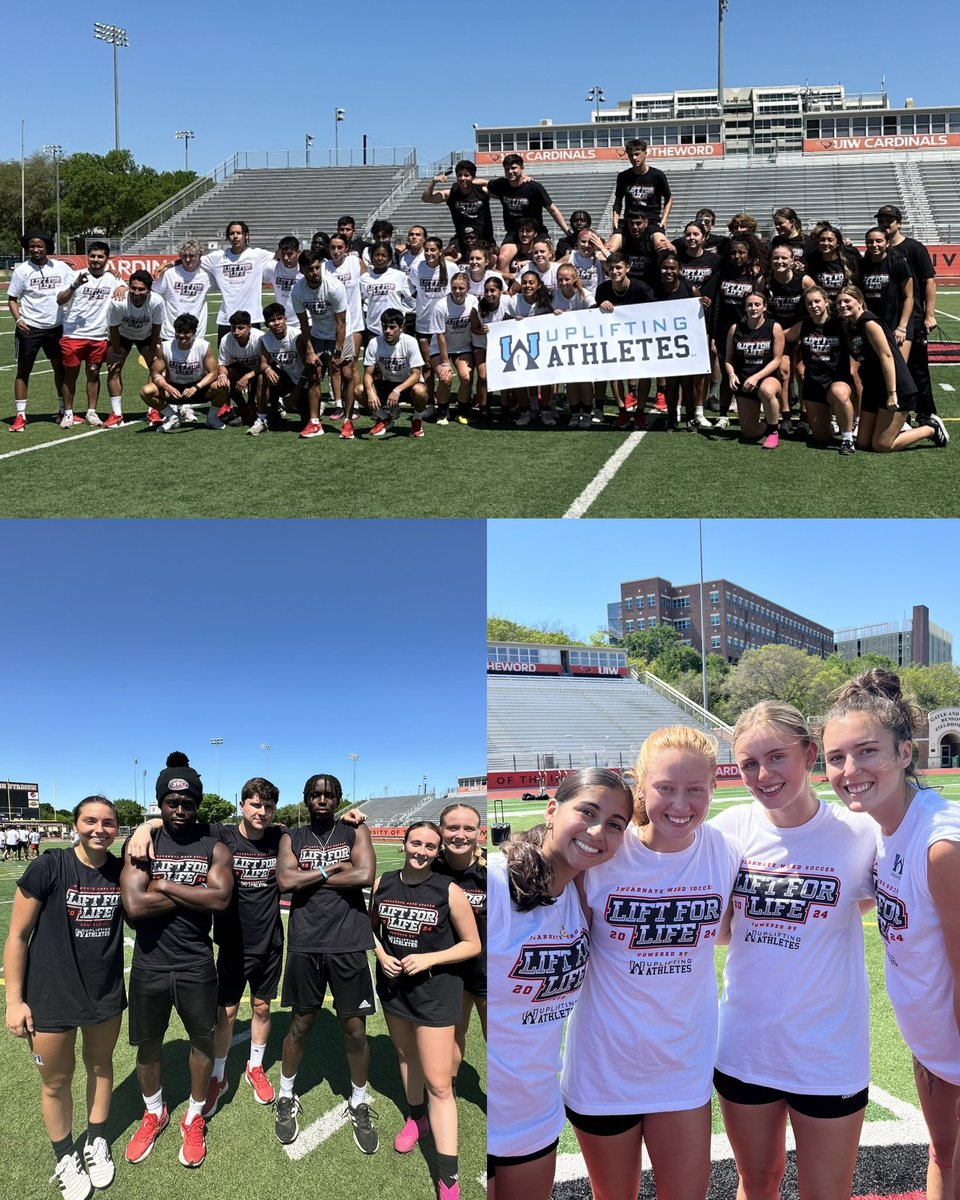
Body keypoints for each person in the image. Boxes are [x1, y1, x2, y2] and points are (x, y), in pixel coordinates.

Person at [560, 728, 739, 1200]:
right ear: (640, 785)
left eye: (695, 789)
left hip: (682, 1068)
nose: (681, 803)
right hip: (603, 1066)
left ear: (713, 786)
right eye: (665, 788)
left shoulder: (725, 851)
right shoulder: (601, 856)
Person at [712, 702, 877, 1200]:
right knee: (757, 1182)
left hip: (829, 1051)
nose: (763, 775)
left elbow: (872, 901)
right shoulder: (729, 830)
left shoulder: (860, 833)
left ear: (809, 755)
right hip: (745, 1046)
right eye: (748, 764)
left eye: (777, 757)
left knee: (826, 1192)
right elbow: (718, 928)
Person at [822, 669, 960, 1200]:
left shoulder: (940, 845)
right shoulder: (880, 832)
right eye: (837, 758)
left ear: (905, 753)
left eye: (866, 752)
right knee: (942, 1156)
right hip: (932, 1046)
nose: (850, 770)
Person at [487, 769, 633, 1200]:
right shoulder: (495, 883)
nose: (596, 831)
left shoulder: (579, 896)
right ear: (552, 810)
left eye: (614, 824)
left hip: (535, 1114)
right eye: (586, 812)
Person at [125, 777, 285, 1116]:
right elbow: (176, 814)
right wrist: (145, 826)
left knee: (262, 1008)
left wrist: (352, 819)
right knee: (225, 1013)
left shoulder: (278, 836)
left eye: (268, 806)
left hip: (269, 940)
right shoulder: (221, 834)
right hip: (231, 941)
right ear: (242, 804)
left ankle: (255, 1067)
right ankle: (218, 1075)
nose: (262, 812)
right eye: (255, 804)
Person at [4, 796, 125, 1200]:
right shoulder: (50, 865)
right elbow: (17, 937)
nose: (99, 829)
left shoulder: (121, 871)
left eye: (108, 823)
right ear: (75, 824)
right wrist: (15, 1001)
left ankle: (96, 1141)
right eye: (90, 821)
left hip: (103, 993)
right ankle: (64, 1156)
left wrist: (149, 825)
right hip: (50, 996)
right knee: (55, 1082)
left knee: (100, 1066)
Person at [120, 753, 234, 1169]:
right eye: (171, 803)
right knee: (148, 1045)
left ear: (198, 804)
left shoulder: (213, 844)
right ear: (160, 803)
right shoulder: (143, 842)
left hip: (196, 963)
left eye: (187, 803)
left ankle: (193, 1116)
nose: (180, 810)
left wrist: (163, 883)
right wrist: (191, 888)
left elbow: (220, 899)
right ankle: (154, 1113)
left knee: (201, 1042)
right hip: (150, 963)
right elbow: (133, 906)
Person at [370, 822, 480, 1200]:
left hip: (436, 993)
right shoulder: (383, 882)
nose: (421, 850)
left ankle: (448, 1175)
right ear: (403, 843)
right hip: (394, 987)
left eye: (430, 847)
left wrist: (430, 958)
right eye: (416, 843)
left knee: (439, 1082)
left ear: (438, 853)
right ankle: (416, 1118)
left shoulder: (448, 890)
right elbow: (371, 929)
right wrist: (382, 954)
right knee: (404, 1055)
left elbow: (471, 944)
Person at [274, 773, 379, 1154]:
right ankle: (286, 1095)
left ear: (337, 799)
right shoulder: (293, 837)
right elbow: (285, 880)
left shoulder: (354, 831)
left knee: (354, 1029)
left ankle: (359, 1099)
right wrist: (331, 870)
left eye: (328, 794)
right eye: (315, 794)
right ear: (306, 799)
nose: (322, 799)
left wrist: (309, 878)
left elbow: (365, 875)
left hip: (348, 942)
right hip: (306, 942)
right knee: (301, 1023)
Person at [835, 286, 948, 453]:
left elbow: (887, 357)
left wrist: (892, 393)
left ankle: (930, 428)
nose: (842, 305)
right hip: (874, 388)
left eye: (847, 301)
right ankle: (894, 426)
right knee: (863, 443)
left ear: (859, 302)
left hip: (895, 387)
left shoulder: (869, 323)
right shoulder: (851, 325)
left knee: (881, 445)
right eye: (839, 303)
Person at [433, 803, 487, 1073]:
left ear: (480, 832)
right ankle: (449, 1091)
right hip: (449, 973)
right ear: (441, 830)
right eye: (452, 827)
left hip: (489, 971)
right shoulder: (430, 868)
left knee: (500, 1042)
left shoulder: (493, 870)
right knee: (454, 1036)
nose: (460, 834)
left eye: (468, 828)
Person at [876, 204, 938, 419]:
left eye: (888, 221)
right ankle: (902, 413)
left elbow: (929, 281)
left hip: (913, 317)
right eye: (881, 221)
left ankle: (926, 412)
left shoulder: (914, 248)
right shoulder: (878, 250)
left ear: (898, 223)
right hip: (888, 318)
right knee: (893, 367)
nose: (884, 224)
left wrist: (929, 314)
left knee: (917, 368)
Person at [8, 231, 70, 432]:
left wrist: (114, 277)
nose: (35, 249)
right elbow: (12, 299)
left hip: (56, 327)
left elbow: (79, 278)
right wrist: (19, 319)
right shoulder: (22, 270)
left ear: (47, 248)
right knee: (23, 371)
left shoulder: (60, 267)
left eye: (39, 246)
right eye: (32, 246)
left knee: (60, 369)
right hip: (30, 328)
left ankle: (62, 410)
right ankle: (20, 416)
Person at [56, 242, 121, 429]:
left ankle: (91, 412)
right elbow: (60, 299)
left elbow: (123, 288)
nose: (96, 260)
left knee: (93, 374)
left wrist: (121, 288)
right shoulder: (75, 275)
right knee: (71, 374)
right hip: (73, 335)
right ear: (87, 257)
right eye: (92, 256)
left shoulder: (112, 278)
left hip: (98, 336)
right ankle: (68, 413)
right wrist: (74, 286)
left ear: (107, 259)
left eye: (100, 257)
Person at [782, 286, 855, 453]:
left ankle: (847, 438)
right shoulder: (803, 325)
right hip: (813, 383)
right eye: (809, 303)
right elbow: (780, 335)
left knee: (840, 393)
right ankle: (835, 424)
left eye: (817, 301)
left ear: (826, 302)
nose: (813, 305)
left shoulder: (840, 324)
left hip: (837, 380)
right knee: (821, 438)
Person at [292, 250, 348, 438]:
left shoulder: (334, 286)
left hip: (339, 333)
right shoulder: (298, 291)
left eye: (317, 268)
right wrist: (309, 351)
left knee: (345, 373)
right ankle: (315, 423)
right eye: (310, 269)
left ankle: (348, 421)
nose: (315, 272)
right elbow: (303, 324)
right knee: (314, 373)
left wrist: (338, 352)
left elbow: (341, 323)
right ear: (302, 270)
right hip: (317, 334)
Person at [488, 155, 570, 274]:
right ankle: (506, 289)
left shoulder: (534, 187)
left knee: (545, 256)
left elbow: (552, 210)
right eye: (507, 169)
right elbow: (481, 183)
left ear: (522, 168)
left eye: (514, 168)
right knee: (502, 258)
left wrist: (567, 231)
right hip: (514, 232)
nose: (510, 172)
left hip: (536, 231)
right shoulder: (501, 184)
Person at [723, 289, 784, 446]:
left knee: (767, 390)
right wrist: (731, 375)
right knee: (749, 433)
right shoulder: (735, 329)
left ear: (764, 307)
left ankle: (773, 431)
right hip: (744, 382)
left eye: (757, 304)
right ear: (745, 307)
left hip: (767, 378)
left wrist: (757, 377)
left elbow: (777, 360)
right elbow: (728, 359)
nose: (753, 308)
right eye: (749, 305)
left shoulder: (774, 327)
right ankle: (769, 421)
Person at [140, 314, 218, 433]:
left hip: (197, 388)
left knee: (222, 386)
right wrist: (168, 387)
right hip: (173, 388)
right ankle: (172, 416)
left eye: (186, 332)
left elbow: (213, 373)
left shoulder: (203, 346)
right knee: (146, 391)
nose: (181, 336)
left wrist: (196, 387)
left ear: (194, 332)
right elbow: (156, 373)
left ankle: (212, 418)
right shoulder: (165, 347)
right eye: (178, 331)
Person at [106, 270, 164, 428]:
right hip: (122, 335)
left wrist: (153, 349)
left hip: (146, 335)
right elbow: (114, 329)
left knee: (156, 368)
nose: (136, 292)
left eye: (141, 289)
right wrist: (117, 353)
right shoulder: (118, 301)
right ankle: (116, 414)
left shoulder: (157, 301)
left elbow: (157, 326)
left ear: (149, 290)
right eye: (133, 288)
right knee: (113, 368)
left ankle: (153, 410)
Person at [200, 221, 275, 338]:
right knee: (226, 355)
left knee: (255, 355)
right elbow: (192, 259)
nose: (235, 236)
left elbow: (282, 256)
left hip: (252, 318)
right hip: (226, 319)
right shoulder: (217, 257)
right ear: (227, 237)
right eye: (232, 233)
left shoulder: (258, 255)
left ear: (246, 235)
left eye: (239, 233)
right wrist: (170, 264)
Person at [363, 308, 429, 438]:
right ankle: (384, 418)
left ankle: (417, 419)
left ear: (401, 328)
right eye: (385, 327)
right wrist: (370, 392)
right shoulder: (374, 343)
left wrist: (397, 391)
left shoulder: (410, 342)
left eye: (392, 327)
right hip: (387, 383)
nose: (387, 331)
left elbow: (416, 374)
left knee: (420, 391)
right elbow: (367, 374)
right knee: (360, 390)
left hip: (408, 384)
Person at [429, 272, 478, 424]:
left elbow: (476, 324)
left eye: (461, 288)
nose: (457, 291)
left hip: (462, 345)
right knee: (445, 378)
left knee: (466, 378)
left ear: (468, 288)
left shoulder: (473, 301)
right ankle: (442, 411)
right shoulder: (441, 306)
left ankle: (462, 411)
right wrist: (445, 362)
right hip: (439, 347)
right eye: (454, 288)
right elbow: (440, 336)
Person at [422, 160, 494, 251]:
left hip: (484, 237)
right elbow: (426, 198)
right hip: (461, 238)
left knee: (493, 258)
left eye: (466, 175)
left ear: (473, 177)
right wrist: (433, 182)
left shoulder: (483, 191)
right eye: (460, 175)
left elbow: (501, 191)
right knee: (448, 258)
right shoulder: (451, 193)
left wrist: (485, 181)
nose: (462, 178)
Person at [612, 138, 672, 248]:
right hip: (629, 220)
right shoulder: (623, 176)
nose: (634, 158)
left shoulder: (657, 175)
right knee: (609, 249)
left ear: (645, 153)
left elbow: (668, 198)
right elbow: (618, 200)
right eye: (630, 155)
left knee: (663, 248)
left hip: (652, 220)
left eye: (637, 154)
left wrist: (664, 219)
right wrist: (615, 220)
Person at [258, 304, 307, 434]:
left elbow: (308, 368)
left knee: (304, 423)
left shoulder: (297, 336)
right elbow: (263, 363)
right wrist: (268, 369)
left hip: (304, 380)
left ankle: (310, 406)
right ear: (266, 323)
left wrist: (295, 394)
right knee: (264, 375)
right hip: (287, 378)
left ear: (286, 319)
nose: (277, 323)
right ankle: (268, 413)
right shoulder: (265, 339)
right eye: (272, 321)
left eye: (279, 318)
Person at [152, 238, 213, 343]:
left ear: (199, 255)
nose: (188, 259)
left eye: (192, 256)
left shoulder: (207, 275)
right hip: (171, 332)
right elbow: (152, 291)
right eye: (184, 256)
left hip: (196, 333)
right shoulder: (170, 273)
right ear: (180, 256)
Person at [211, 310, 264, 428]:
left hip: (260, 369)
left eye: (240, 328)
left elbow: (265, 365)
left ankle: (262, 410)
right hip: (242, 368)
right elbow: (223, 364)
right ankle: (245, 410)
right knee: (225, 378)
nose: (236, 332)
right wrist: (223, 376)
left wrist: (247, 376)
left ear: (249, 327)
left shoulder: (259, 338)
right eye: (233, 328)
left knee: (262, 377)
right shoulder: (226, 339)